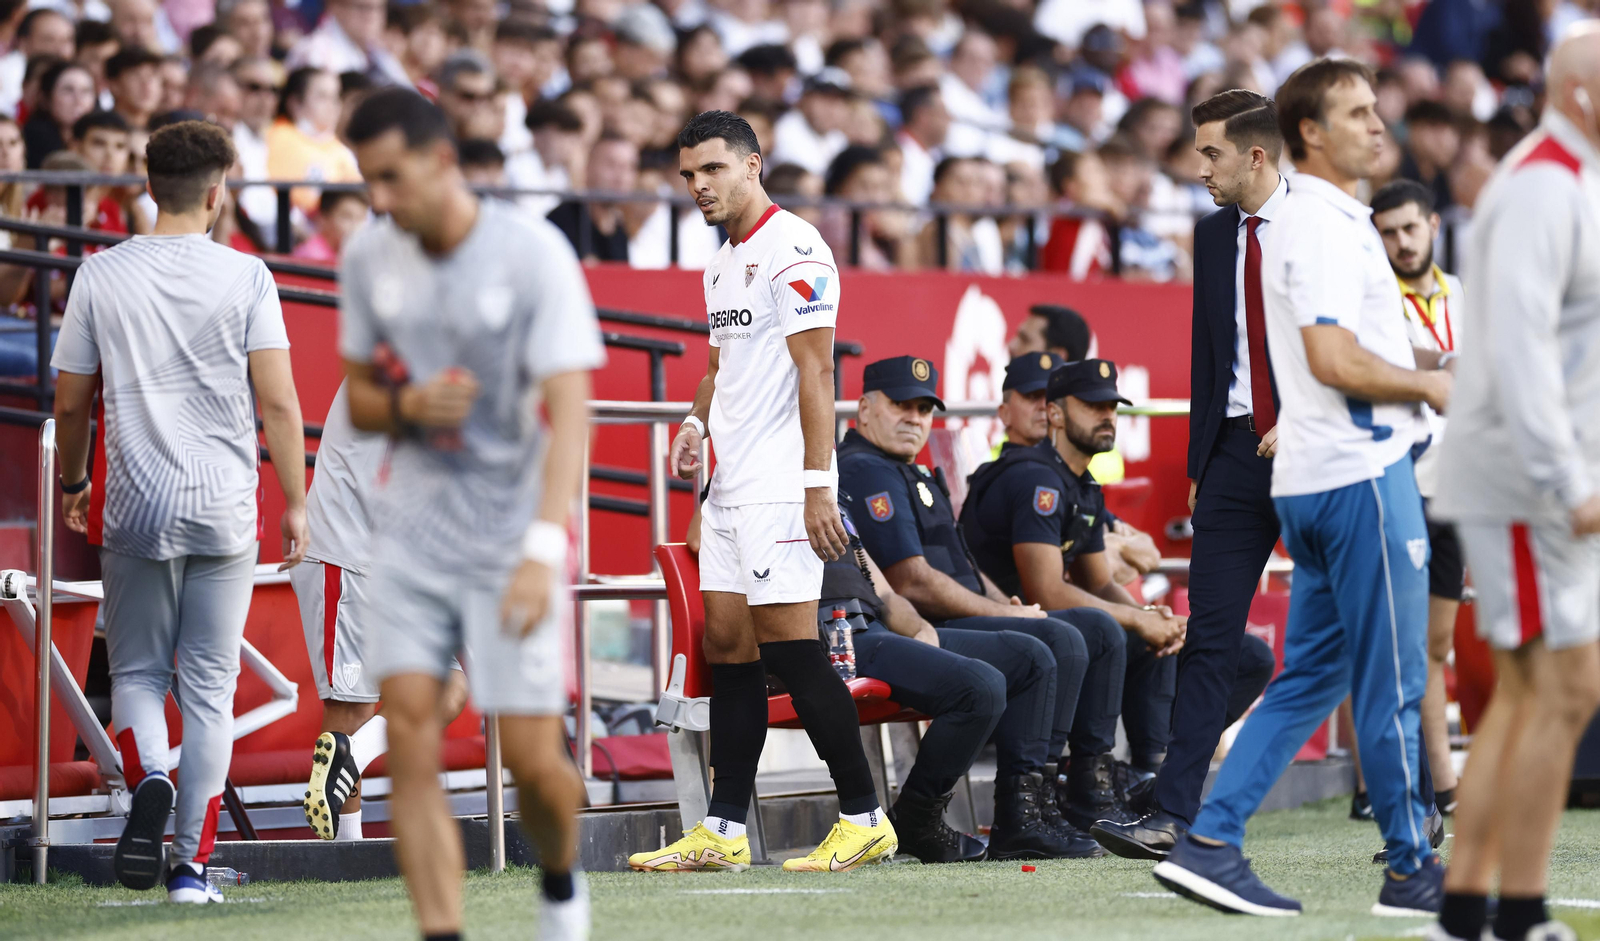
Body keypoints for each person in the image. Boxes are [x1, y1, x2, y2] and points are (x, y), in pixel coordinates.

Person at [1151, 58, 1453, 918]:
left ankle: (1212, 838)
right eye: (1357, 111)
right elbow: (1330, 356)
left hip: (1316, 473)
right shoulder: (1322, 224)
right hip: (1357, 474)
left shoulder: (1316, 219)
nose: (1377, 125)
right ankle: (1409, 865)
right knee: (1390, 676)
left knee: (1314, 672)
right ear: (1306, 133)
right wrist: (1431, 385)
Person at [340, 87, 600, 939]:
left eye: (391, 177)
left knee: (534, 767)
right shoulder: (367, 254)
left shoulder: (533, 255)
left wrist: (541, 547)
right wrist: (411, 403)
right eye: (366, 180)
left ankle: (560, 883)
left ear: (443, 162)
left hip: (509, 537)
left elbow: (572, 412)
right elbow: (364, 399)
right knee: (409, 740)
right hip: (408, 536)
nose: (379, 199)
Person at [629, 110, 897, 874]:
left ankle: (864, 814)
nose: (698, 186)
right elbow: (721, 365)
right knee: (727, 648)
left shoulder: (797, 247)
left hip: (784, 486)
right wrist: (692, 420)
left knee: (795, 649)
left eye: (712, 169)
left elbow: (819, 372)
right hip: (728, 485)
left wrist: (820, 487)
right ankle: (724, 828)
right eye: (687, 174)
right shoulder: (721, 264)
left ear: (754, 163)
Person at [49, 119, 309, 903]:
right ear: (220, 190)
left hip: (133, 503)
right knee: (208, 689)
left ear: (147, 184)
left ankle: (149, 774)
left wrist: (70, 483)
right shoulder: (248, 275)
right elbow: (280, 404)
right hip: (224, 507)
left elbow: (71, 401)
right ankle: (191, 870)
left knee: (134, 673)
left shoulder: (100, 273)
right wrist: (297, 502)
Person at [1430, 25, 1600, 941]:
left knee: (1550, 692)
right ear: (1580, 93)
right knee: (1560, 688)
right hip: (1529, 484)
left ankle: (1475, 910)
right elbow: (1522, 352)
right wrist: (1566, 478)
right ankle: (1510, 909)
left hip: (1540, 478)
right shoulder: (1544, 187)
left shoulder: (1570, 181)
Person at [1093, 88, 1290, 861]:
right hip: (1235, 455)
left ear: (1255, 153)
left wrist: (1306, 420)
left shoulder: (1328, 228)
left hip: (1317, 446)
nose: (1197, 167)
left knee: (1366, 627)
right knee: (1210, 636)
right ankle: (1174, 812)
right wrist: (1202, 460)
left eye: (1209, 152)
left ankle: (1412, 813)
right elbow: (1210, 356)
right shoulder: (1212, 237)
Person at [836, 355, 1109, 856]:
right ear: (864, 409)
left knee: (1061, 641)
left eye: (924, 408)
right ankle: (1011, 809)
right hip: (880, 630)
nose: (915, 418)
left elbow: (952, 560)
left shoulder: (906, 469)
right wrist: (1009, 614)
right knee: (1049, 642)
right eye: (901, 405)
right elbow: (912, 582)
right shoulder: (863, 469)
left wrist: (1002, 600)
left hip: (904, 623)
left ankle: (1037, 801)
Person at [959, 360, 1188, 815]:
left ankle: (1147, 776)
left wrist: (1149, 618)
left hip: (1041, 621)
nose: (1106, 415)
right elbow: (1048, 589)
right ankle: (1087, 782)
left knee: (1193, 645)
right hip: (990, 622)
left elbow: (1098, 580)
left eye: (1111, 406)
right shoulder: (1035, 476)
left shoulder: (1081, 481)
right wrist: (1137, 619)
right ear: (1057, 414)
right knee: (1100, 629)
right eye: (1092, 406)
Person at [290, 381, 470, 842]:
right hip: (347, 552)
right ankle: (344, 856)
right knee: (351, 708)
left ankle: (353, 758)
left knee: (449, 686)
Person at [1372, 178, 1464, 816]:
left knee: (1437, 646)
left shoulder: (1462, 291)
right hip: (1404, 480)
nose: (1402, 242)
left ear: (1433, 224)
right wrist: (1447, 360)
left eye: (1410, 228)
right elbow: (1397, 357)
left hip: (1466, 485)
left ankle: (1446, 790)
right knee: (1397, 645)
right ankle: (1415, 791)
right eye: (1388, 232)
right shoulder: (1374, 296)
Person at [267, 66, 361, 215]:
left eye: (335, 97)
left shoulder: (342, 150)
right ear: (295, 103)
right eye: (322, 97)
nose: (332, 106)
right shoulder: (277, 138)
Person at [24, 60, 97, 167]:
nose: (78, 100)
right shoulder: (30, 140)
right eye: (68, 90)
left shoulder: (105, 136)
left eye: (86, 91)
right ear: (46, 98)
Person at [292, 188, 369, 262]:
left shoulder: (353, 253)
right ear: (323, 218)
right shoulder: (311, 257)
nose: (355, 226)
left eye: (361, 218)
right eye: (346, 217)